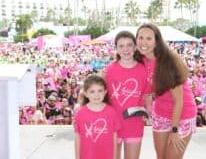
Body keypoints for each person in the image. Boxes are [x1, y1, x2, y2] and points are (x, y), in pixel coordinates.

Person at [136, 23, 197, 159]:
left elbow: (179, 101)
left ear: (157, 42)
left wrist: (174, 130)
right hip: (160, 113)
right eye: (140, 38)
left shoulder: (168, 62)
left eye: (148, 38)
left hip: (182, 115)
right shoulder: (142, 60)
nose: (143, 42)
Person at [104, 31, 148, 159]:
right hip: (113, 123)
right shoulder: (110, 70)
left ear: (135, 47)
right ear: (116, 49)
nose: (126, 49)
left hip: (134, 123)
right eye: (121, 46)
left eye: (129, 45)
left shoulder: (143, 69)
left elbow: (147, 94)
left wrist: (148, 112)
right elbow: (102, 96)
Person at [74, 75, 121, 159]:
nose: (97, 95)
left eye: (100, 91)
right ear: (86, 94)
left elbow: (114, 137)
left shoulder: (112, 112)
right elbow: (78, 138)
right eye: (92, 91)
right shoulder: (80, 113)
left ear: (105, 91)